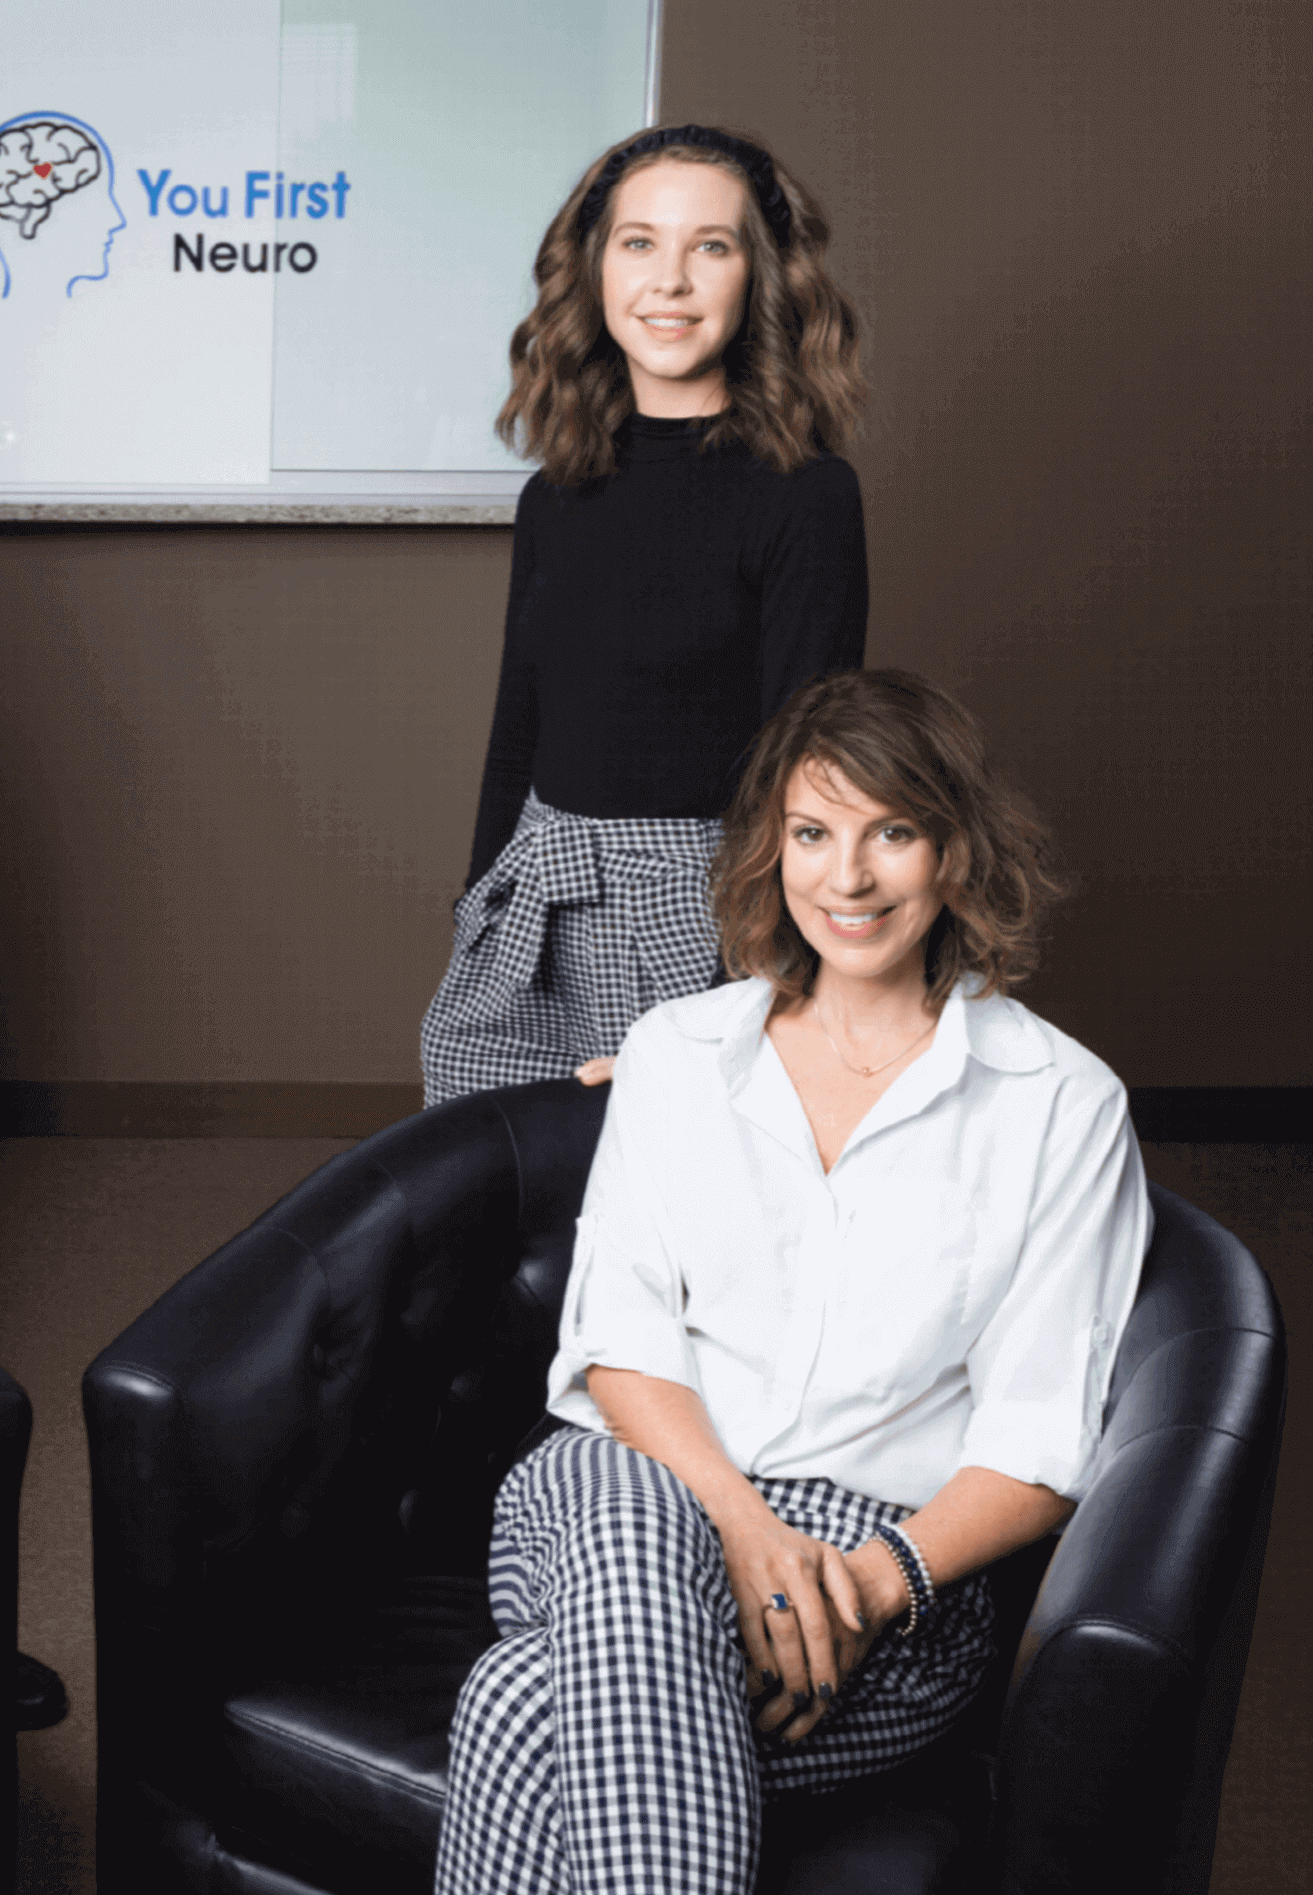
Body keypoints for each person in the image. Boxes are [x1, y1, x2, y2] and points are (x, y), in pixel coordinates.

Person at [433, 668, 1151, 1895]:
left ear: (956, 851)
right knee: (633, 1527)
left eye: (893, 832)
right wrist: (742, 1526)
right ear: (771, 848)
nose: (847, 877)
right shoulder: (677, 1052)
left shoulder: (1061, 1104)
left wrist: (874, 1584)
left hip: (878, 1570)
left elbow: (1038, 1437)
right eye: (812, 833)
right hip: (626, 1478)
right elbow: (619, 1340)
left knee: (517, 1706)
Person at [421, 124, 871, 1105]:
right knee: (491, 1196)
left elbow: (811, 766)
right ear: (592, 271)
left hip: (703, 907)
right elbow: (521, 717)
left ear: (761, 277)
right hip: (536, 890)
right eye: (638, 243)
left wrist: (756, 983)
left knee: (675, 1213)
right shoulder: (556, 494)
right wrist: (478, 908)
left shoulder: (803, 496)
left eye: (709, 245)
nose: (668, 279)